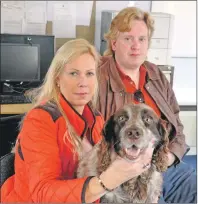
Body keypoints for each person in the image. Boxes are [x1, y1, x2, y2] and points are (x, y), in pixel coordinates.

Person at [1, 39, 156, 203]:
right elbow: (43, 193)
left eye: (89, 74)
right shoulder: (40, 121)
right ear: (57, 79)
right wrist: (106, 182)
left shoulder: (96, 119)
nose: (83, 83)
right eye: (74, 73)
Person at [97, 7, 197, 203]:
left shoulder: (156, 75)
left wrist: (168, 159)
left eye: (142, 39)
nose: (136, 46)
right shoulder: (97, 76)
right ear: (114, 42)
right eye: (128, 38)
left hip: (164, 165)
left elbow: (177, 125)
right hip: (122, 169)